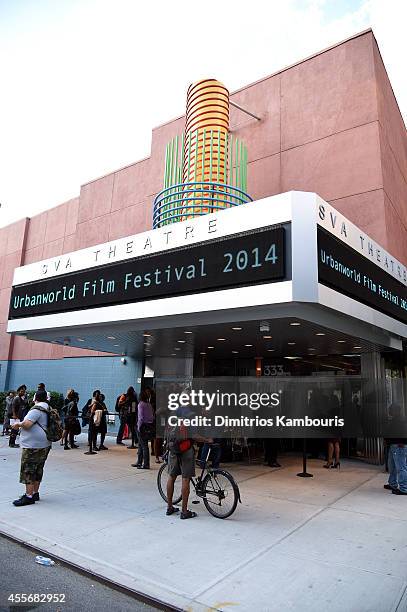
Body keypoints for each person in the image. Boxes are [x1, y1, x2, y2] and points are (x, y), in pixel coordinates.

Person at [166, 405, 212, 520]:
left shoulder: (174, 412)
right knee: (185, 479)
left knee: (171, 477)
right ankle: (184, 511)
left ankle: (169, 507)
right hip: (186, 449)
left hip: (173, 448)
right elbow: (194, 436)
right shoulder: (192, 415)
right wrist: (207, 440)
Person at [11, 389, 52, 506]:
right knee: (39, 468)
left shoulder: (36, 409)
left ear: (35, 398)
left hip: (33, 445)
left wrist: (17, 424)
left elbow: (27, 424)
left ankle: (28, 496)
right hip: (45, 443)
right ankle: (35, 493)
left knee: (28, 470)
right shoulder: (48, 408)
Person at [384, 403, 407, 495]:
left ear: (396, 410)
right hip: (393, 445)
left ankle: (404, 488)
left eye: (390, 409)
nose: (389, 411)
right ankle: (392, 483)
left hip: (399, 446)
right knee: (392, 466)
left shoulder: (401, 420)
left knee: (401, 467)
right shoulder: (396, 419)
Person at [132, 390, 154, 469]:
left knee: (144, 446)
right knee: (141, 445)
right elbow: (152, 416)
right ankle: (139, 462)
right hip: (148, 426)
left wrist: (138, 427)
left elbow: (140, 417)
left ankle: (146, 464)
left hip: (142, 426)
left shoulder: (140, 404)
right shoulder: (149, 404)